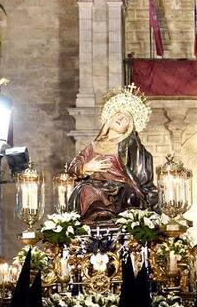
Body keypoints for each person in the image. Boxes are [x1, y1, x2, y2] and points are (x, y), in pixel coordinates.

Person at [65, 85, 158, 223]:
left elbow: (141, 173)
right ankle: (96, 221)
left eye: (126, 119)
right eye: (119, 115)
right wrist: (86, 167)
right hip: (94, 185)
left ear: (128, 128)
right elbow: (72, 167)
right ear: (110, 118)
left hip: (120, 188)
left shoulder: (129, 144)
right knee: (85, 190)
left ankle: (108, 219)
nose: (121, 119)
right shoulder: (93, 146)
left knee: (125, 194)